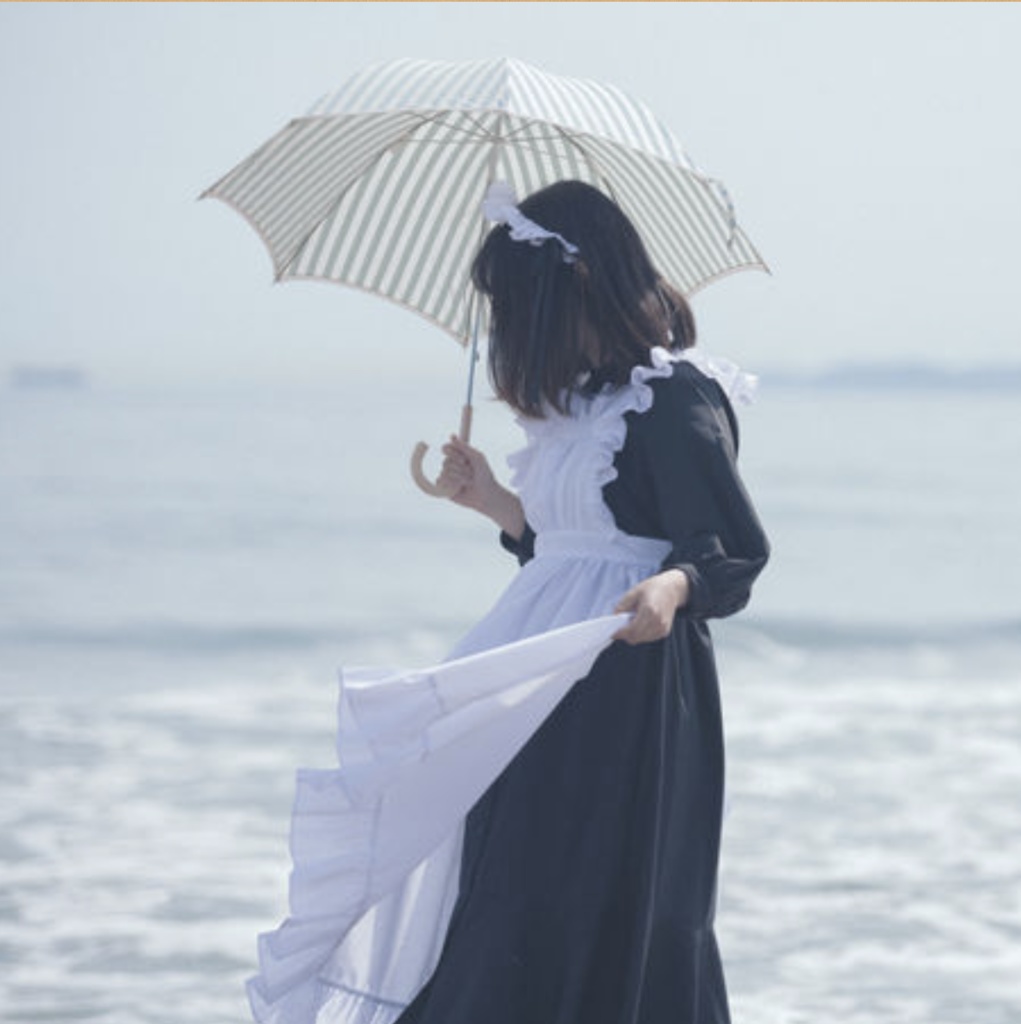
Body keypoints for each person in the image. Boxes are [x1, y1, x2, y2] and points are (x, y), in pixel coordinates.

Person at [247, 180, 769, 1024]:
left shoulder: (670, 397)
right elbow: (571, 551)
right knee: (507, 880)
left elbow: (732, 549)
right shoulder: (582, 408)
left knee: (587, 894)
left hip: (625, 684)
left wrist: (674, 587)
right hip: (536, 672)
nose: (503, 331)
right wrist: (492, 501)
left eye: (512, 306)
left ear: (570, 293)